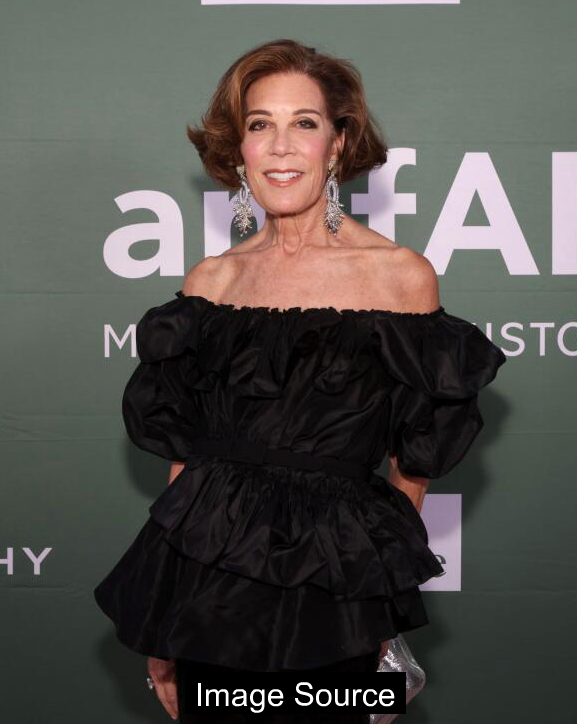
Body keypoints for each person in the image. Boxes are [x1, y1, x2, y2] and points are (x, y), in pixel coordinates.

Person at [94, 39, 507, 722]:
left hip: (330, 585)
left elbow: (414, 463)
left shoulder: (398, 277)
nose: (281, 147)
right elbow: (184, 465)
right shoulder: (211, 282)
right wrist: (164, 621)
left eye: (304, 123)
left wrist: (375, 606)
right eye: (260, 124)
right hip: (209, 589)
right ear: (239, 149)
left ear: (338, 144)